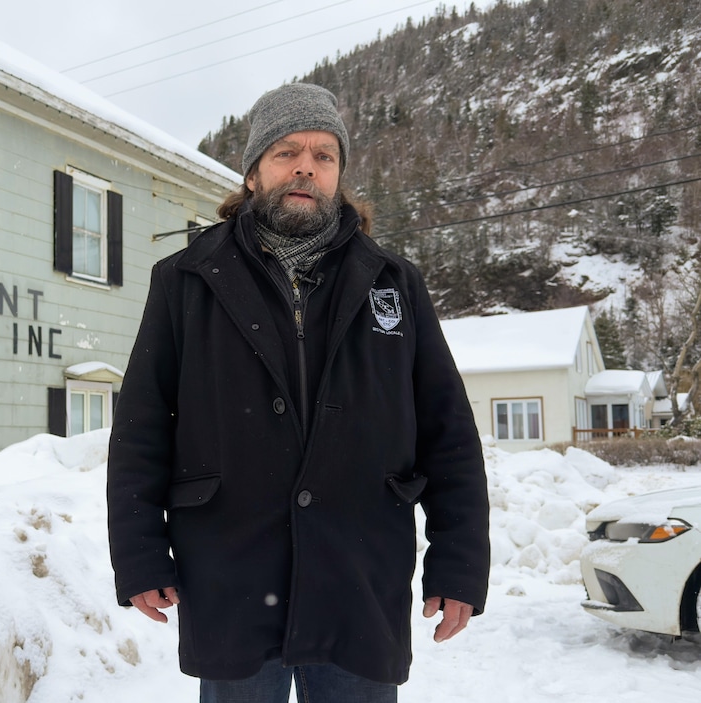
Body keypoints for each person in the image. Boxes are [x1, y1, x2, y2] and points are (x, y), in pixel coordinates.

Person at [106, 83, 490, 702]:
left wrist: (460, 563)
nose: (306, 167)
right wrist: (141, 554)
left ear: (338, 175)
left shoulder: (394, 282)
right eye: (287, 153)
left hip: (359, 579)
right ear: (255, 172)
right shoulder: (185, 280)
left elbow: (450, 435)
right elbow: (141, 429)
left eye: (324, 155)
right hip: (231, 576)